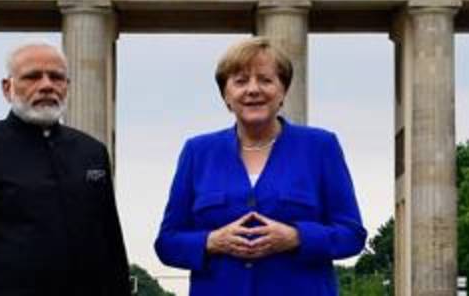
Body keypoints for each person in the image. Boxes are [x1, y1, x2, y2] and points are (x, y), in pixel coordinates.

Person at [154, 37, 367, 295]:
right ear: (226, 95)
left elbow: (352, 235)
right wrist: (211, 241)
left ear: (283, 92)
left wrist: (297, 237)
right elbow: (167, 243)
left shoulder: (321, 147)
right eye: (240, 81)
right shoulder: (197, 152)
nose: (253, 90)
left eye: (265, 80)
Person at [0, 42, 131, 296]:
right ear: (7, 88)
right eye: (32, 76)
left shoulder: (91, 151)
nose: (46, 85)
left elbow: (111, 245)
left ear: (67, 87)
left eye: (56, 77)